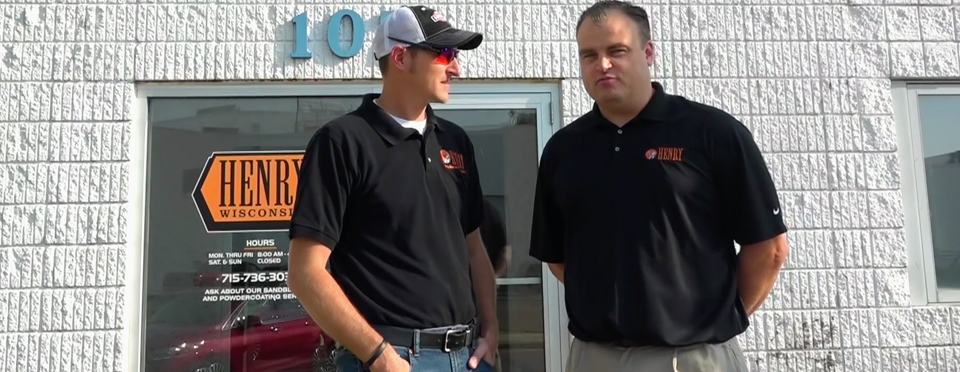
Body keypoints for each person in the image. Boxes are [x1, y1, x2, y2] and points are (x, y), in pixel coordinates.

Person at [528, 1, 790, 371]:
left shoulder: (712, 134)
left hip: (692, 358)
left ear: (648, 52)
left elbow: (769, 250)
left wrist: (714, 318)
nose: (602, 64)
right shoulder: (564, 149)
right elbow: (559, 258)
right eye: (589, 55)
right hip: (593, 358)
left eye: (616, 51)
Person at [286, 5, 498, 372]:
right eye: (444, 54)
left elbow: (474, 250)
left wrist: (492, 331)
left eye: (456, 55)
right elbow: (305, 272)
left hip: (469, 359)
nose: (456, 68)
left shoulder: (456, 141)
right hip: (391, 359)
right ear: (401, 57)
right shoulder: (341, 142)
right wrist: (378, 355)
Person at [477, 199, 510, 372]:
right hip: (486, 300)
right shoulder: (490, 214)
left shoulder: (470, 213)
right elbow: (505, 255)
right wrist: (494, 277)